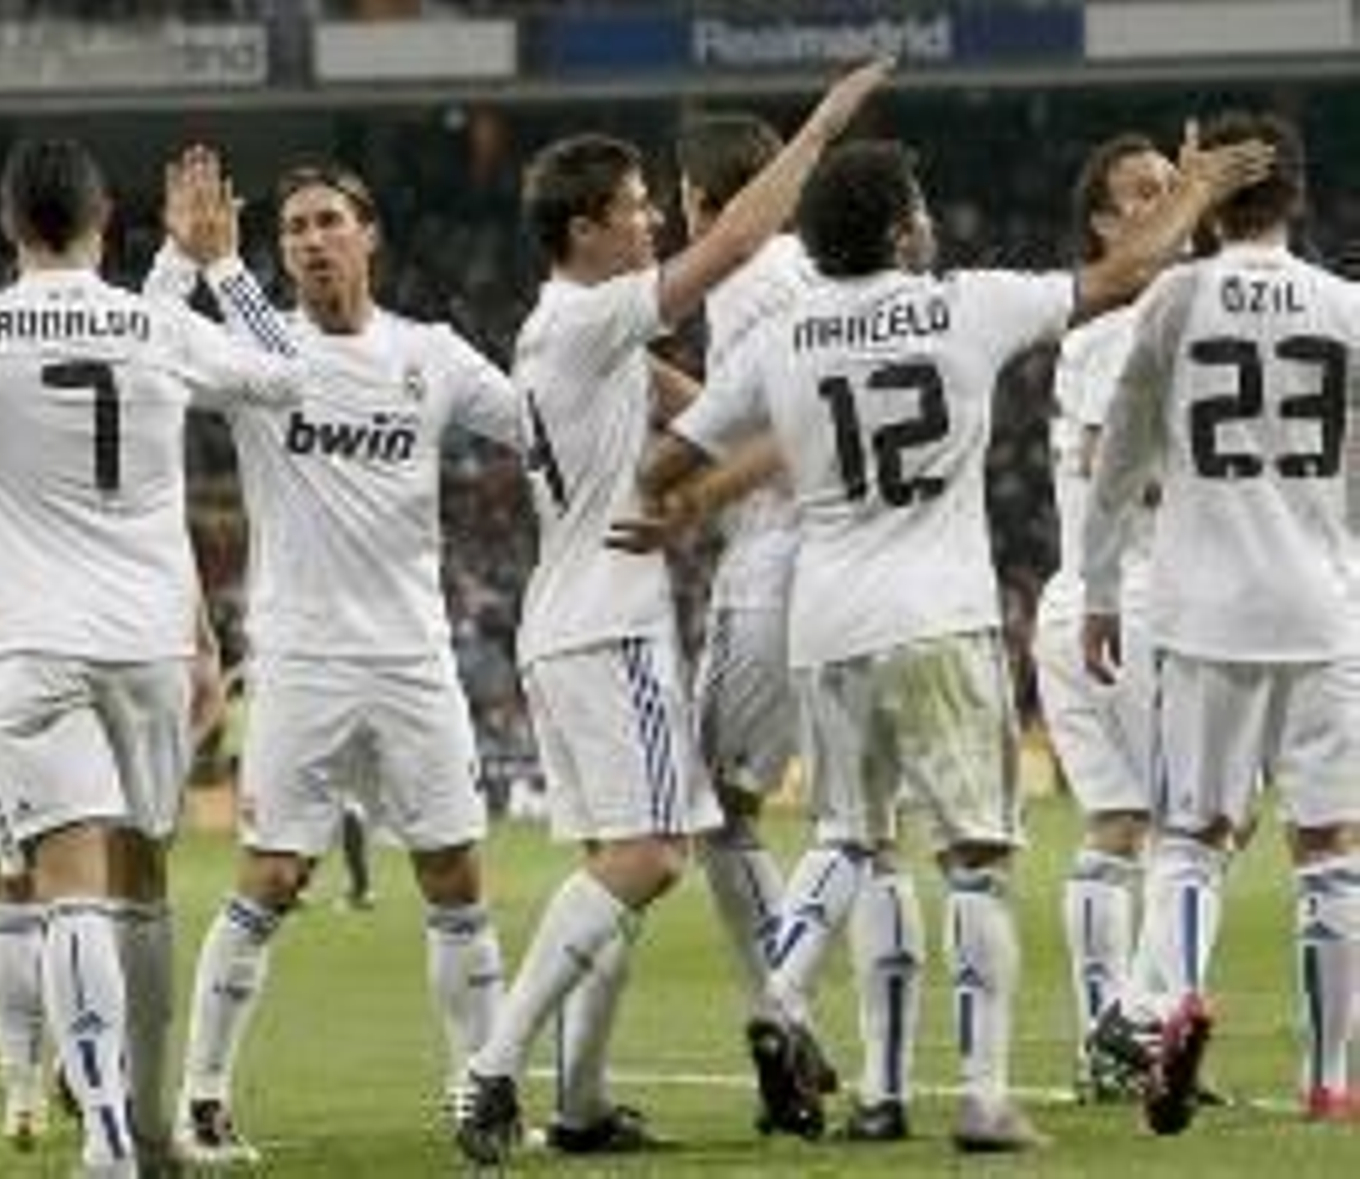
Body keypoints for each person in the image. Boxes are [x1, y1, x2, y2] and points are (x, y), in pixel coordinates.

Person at [635, 128, 1270, 1151]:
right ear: (900, 226)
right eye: (918, 202)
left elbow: (672, 458)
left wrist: (671, 504)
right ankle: (981, 1098)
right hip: (939, 616)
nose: (930, 216)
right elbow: (1119, 276)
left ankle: (779, 994)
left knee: (845, 838)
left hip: (825, 625)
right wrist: (1190, 193)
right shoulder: (962, 304)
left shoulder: (780, 336)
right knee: (975, 862)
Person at [450, 58, 895, 1168]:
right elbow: (739, 240)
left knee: (626, 864)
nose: (653, 214)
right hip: (610, 626)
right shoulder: (599, 311)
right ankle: (494, 1067)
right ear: (590, 227)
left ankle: (582, 1105)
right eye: (637, 202)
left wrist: (724, 461)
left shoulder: (558, 326)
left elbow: (677, 399)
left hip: (563, 623)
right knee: (654, 857)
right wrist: (824, 124)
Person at [0, 137, 310, 1178]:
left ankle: (103, 1142)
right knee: (144, 889)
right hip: (148, 648)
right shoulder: (157, 323)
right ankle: (150, 1135)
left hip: (29, 651)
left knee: (68, 893)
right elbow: (289, 378)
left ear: (10, 225)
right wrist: (217, 263)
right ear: (108, 222)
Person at [146, 148, 514, 1166]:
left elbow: (532, 424)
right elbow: (145, 340)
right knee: (270, 876)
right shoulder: (255, 357)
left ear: (369, 234)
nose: (310, 239)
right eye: (294, 228)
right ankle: (205, 1098)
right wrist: (187, 260)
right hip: (302, 660)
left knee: (455, 874)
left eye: (327, 222)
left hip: (412, 659)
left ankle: (477, 1088)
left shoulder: (431, 354)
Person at [1083, 110, 1360, 1133]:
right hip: (1324, 606)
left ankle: (1176, 1008)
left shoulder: (1172, 300)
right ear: (1294, 194)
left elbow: (1118, 457)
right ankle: (1328, 1080)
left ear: (1210, 189)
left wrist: (1099, 587)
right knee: (1330, 849)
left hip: (1204, 610)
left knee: (1191, 838)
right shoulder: (1346, 307)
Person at [674, 112, 926, 1142]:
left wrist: (687, 492)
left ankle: (786, 1007)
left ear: (702, 197)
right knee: (863, 830)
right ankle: (872, 1066)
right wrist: (661, 385)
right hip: (870, 571)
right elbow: (762, 405)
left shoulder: (742, 277)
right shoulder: (810, 271)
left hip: (776, 565)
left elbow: (781, 428)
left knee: (717, 807)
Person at [1032, 133, 1177, 1100]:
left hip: (1078, 607)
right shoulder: (1118, 331)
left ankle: (1106, 1039)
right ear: (1103, 223)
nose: (1168, 196)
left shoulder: (1131, 325)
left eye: (1174, 182)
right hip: (1129, 609)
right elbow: (1104, 462)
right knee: (1204, 829)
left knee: (1118, 825)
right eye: (1143, 190)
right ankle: (1133, 1020)